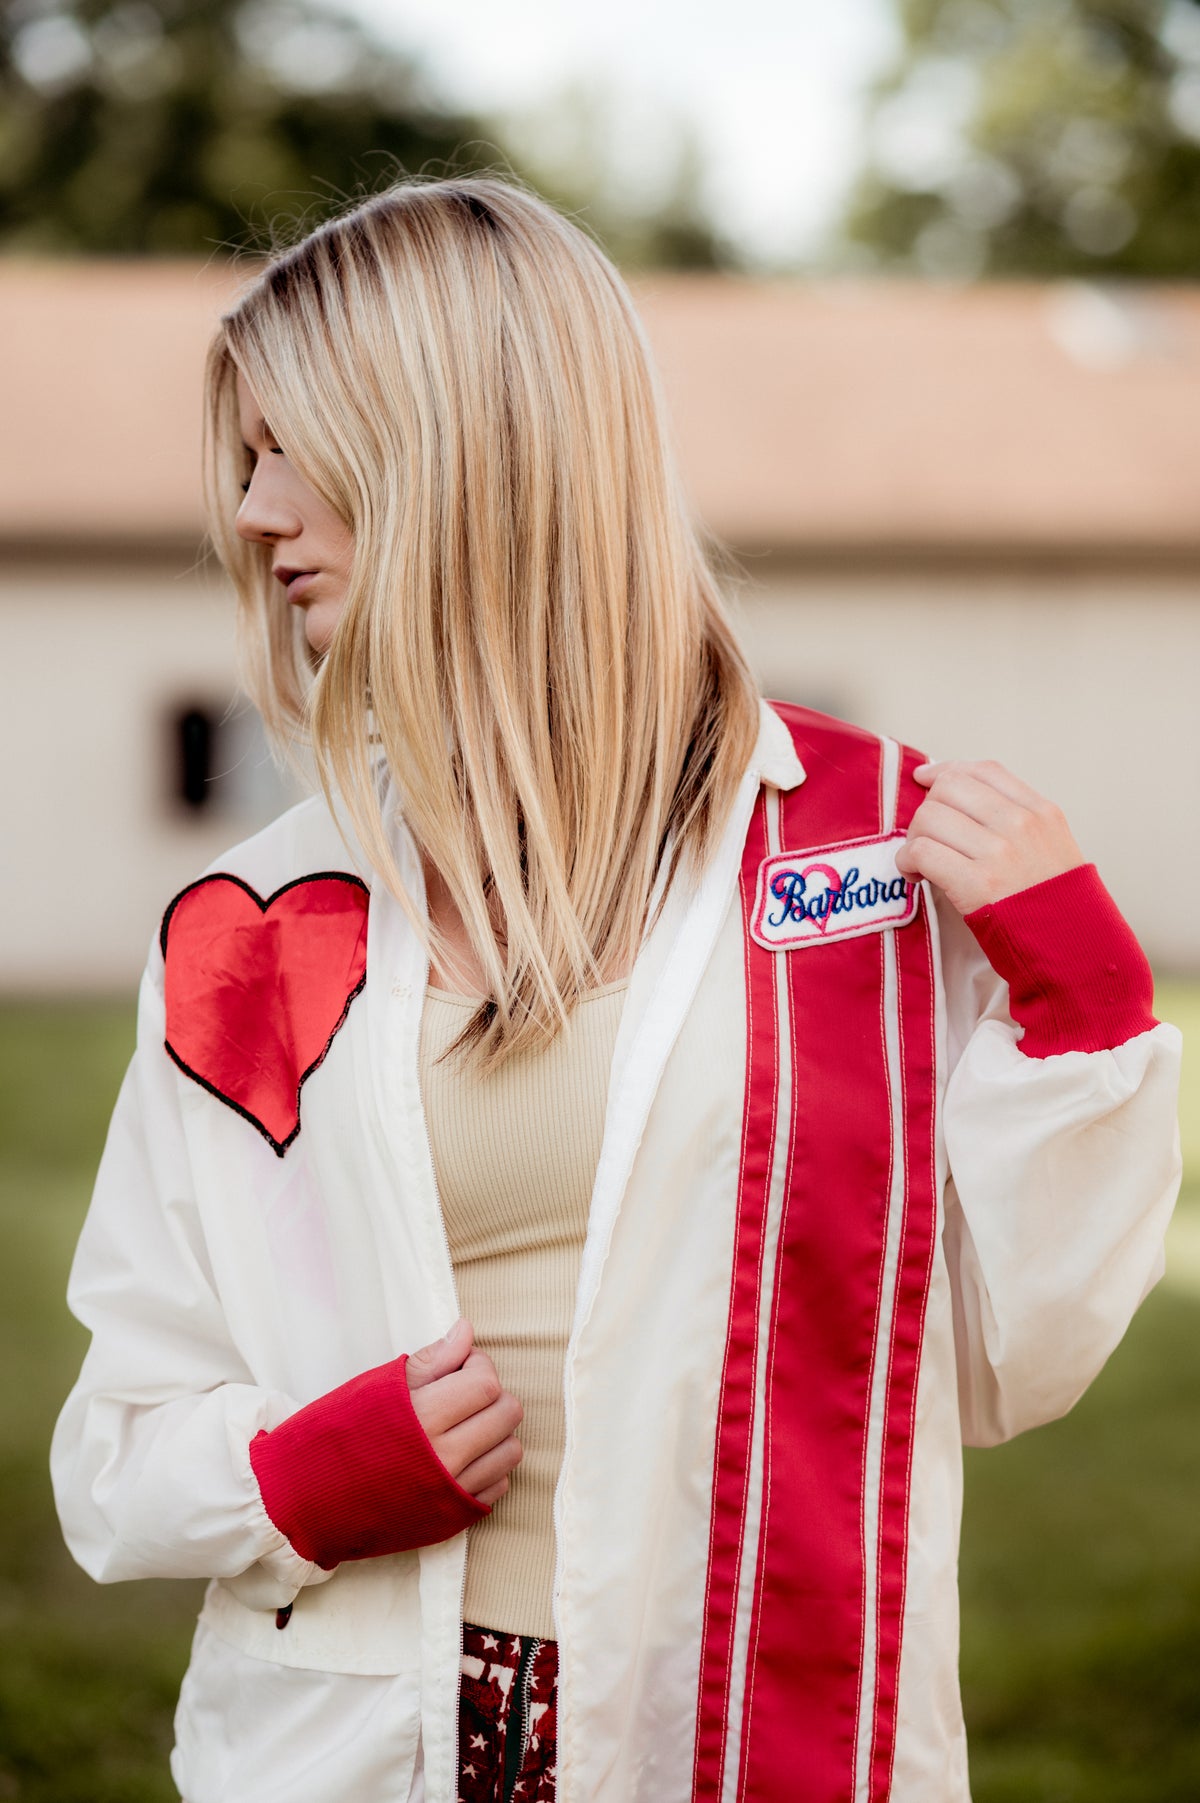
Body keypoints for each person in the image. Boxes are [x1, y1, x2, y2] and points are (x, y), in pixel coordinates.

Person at [51, 177, 1180, 1803]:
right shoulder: (246, 929)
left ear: (467, 448)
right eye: (241, 462)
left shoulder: (857, 863)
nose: (250, 513)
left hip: (742, 1740)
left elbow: (1002, 1365)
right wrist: (294, 1478)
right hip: (354, 1755)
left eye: (291, 448)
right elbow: (113, 1459)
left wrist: (1084, 1020)